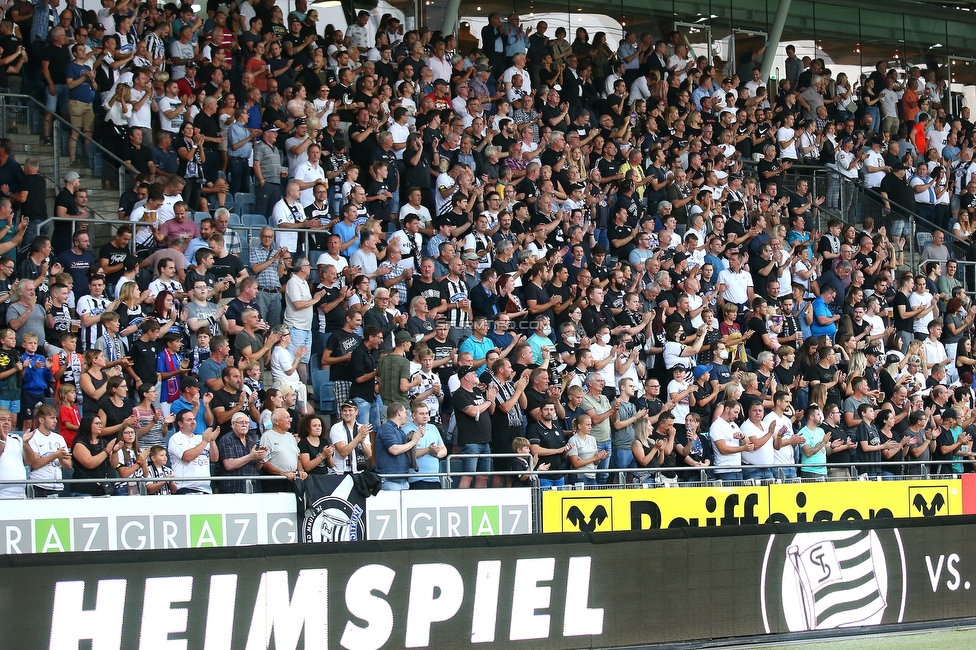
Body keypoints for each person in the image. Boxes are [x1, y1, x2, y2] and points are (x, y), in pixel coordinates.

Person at [168, 409, 219, 494]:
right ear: (180, 424)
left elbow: (214, 458)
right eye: (189, 420)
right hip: (185, 489)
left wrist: (212, 440)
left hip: (206, 489)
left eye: (194, 419)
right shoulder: (175, 438)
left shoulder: (200, 438)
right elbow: (187, 457)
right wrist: (205, 441)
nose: (193, 422)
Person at [217, 411, 265, 493]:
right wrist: (250, 456)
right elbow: (229, 465)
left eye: (247, 422)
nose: (244, 425)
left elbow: (257, 468)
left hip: (251, 487)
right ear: (233, 424)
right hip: (232, 489)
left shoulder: (251, 440)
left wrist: (260, 459)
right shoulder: (227, 439)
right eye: (241, 422)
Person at [260, 408, 306, 491]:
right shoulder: (267, 436)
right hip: (275, 480)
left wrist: (300, 470)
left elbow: (298, 457)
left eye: (290, 417)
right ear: (276, 421)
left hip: (293, 479)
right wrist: (282, 473)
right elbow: (264, 461)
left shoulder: (290, 436)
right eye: (286, 418)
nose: (290, 420)